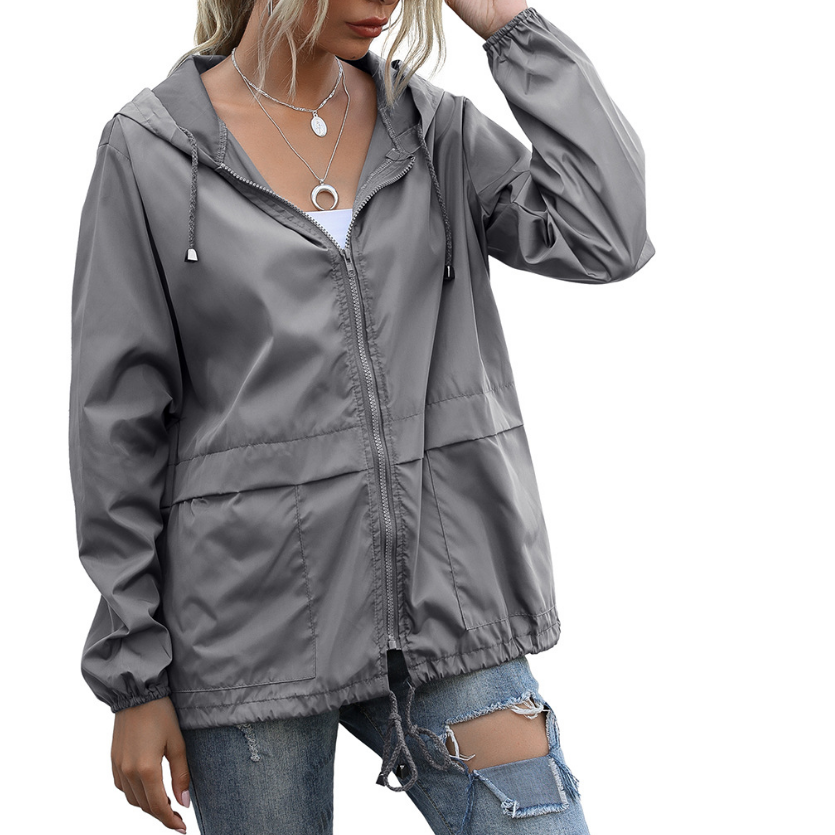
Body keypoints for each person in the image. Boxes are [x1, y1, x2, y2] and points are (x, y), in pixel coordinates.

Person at [68, 0, 655, 833]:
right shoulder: (153, 150)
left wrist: (507, 25)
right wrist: (136, 678)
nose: (381, 3)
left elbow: (606, 234)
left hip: (449, 607)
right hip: (248, 633)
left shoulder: (433, 130)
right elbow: (116, 426)